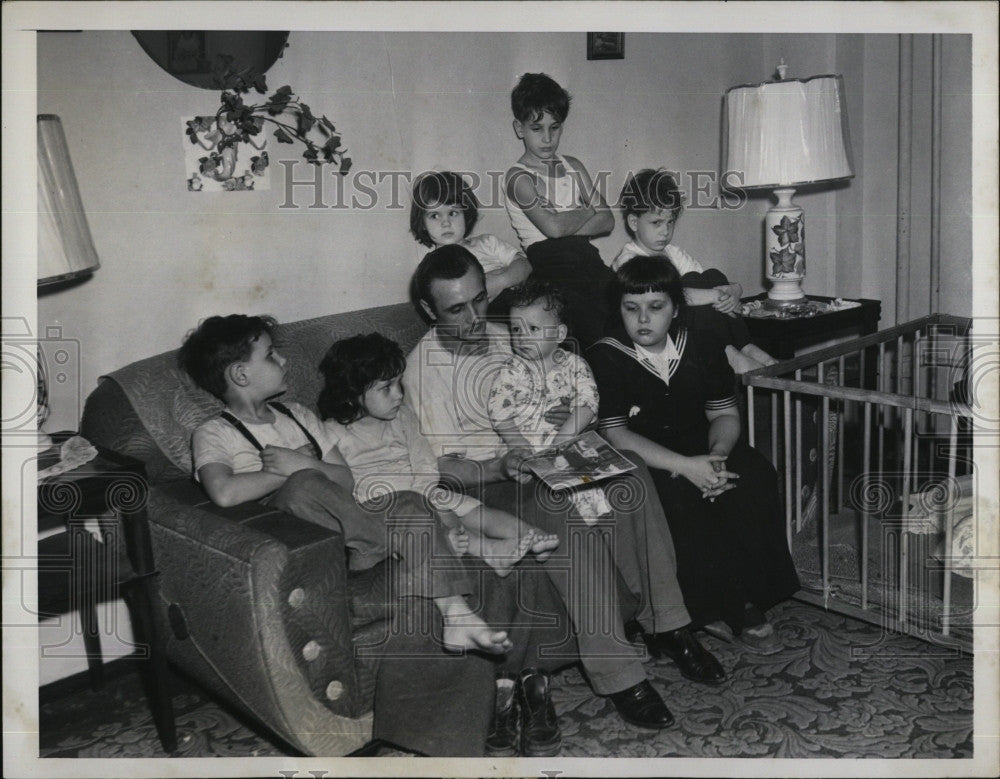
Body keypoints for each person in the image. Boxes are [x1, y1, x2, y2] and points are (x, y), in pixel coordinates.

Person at [403, 244, 727, 748]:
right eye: (455, 308)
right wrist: (503, 462)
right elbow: (438, 469)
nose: (473, 317)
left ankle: (670, 626)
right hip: (492, 484)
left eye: (479, 299)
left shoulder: (506, 331)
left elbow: (562, 386)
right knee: (556, 507)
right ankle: (620, 675)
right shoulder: (423, 371)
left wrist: (569, 429)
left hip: (547, 455)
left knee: (631, 473)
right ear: (428, 310)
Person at [178, 314, 511, 656]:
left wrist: (304, 462)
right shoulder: (214, 432)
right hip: (293, 536)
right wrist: (288, 472)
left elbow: (344, 478)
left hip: (344, 522)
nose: (283, 360)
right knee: (305, 483)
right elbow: (224, 492)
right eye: (270, 354)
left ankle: (456, 613)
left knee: (410, 501)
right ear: (240, 374)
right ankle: (390, 543)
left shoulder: (298, 415)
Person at [587, 256, 801, 654]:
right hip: (648, 456)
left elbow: (723, 413)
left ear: (676, 308)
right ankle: (702, 608)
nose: (643, 320)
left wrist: (717, 456)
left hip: (704, 445)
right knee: (678, 499)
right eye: (631, 309)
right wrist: (687, 468)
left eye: (656, 308)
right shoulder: (607, 354)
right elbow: (615, 432)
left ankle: (748, 596)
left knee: (753, 475)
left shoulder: (699, 342)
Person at [317, 332, 560, 576]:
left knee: (472, 509)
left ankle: (531, 535)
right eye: (386, 388)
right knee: (444, 517)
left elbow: (423, 459)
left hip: (423, 489)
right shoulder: (332, 433)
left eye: (399, 383)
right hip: (383, 508)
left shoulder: (403, 417)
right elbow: (341, 484)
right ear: (352, 394)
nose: (399, 394)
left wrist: (423, 494)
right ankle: (492, 552)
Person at [614, 168, 777, 373]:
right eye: (656, 223)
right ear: (633, 222)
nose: (665, 231)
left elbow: (705, 282)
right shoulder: (629, 260)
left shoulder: (672, 253)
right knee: (689, 283)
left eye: (670, 222)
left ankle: (747, 346)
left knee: (711, 275)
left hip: (688, 321)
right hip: (661, 328)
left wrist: (735, 290)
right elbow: (664, 298)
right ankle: (728, 353)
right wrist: (716, 295)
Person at [503, 73, 616, 348]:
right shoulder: (518, 177)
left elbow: (609, 220)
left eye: (555, 127)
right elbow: (552, 229)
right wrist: (589, 210)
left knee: (629, 311)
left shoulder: (573, 165)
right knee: (596, 338)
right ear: (520, 128)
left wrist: (568, 218)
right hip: (554, 271)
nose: (547, 138)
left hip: (591, 262)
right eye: (537, 128)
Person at [487, 279, 612, 519]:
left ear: (559, 333)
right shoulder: (511, 369)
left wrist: (564, 436)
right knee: (542, 497)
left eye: (532, 329)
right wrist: (516, 442)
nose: (522, 337)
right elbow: (498, 411)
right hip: (523, 449)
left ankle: (595, 522)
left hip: (564, 441)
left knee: (586, 491)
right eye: (516, 330)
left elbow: (588, 402)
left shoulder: (574, 365)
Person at [410, 170, 531, 309]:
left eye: (453, 213)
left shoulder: (487, 243)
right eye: (435, 216)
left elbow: (525, 266)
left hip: (518, 307)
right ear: (423, 223)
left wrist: (500, 281)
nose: (446, 223)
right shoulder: (431, 267)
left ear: (466, 215)